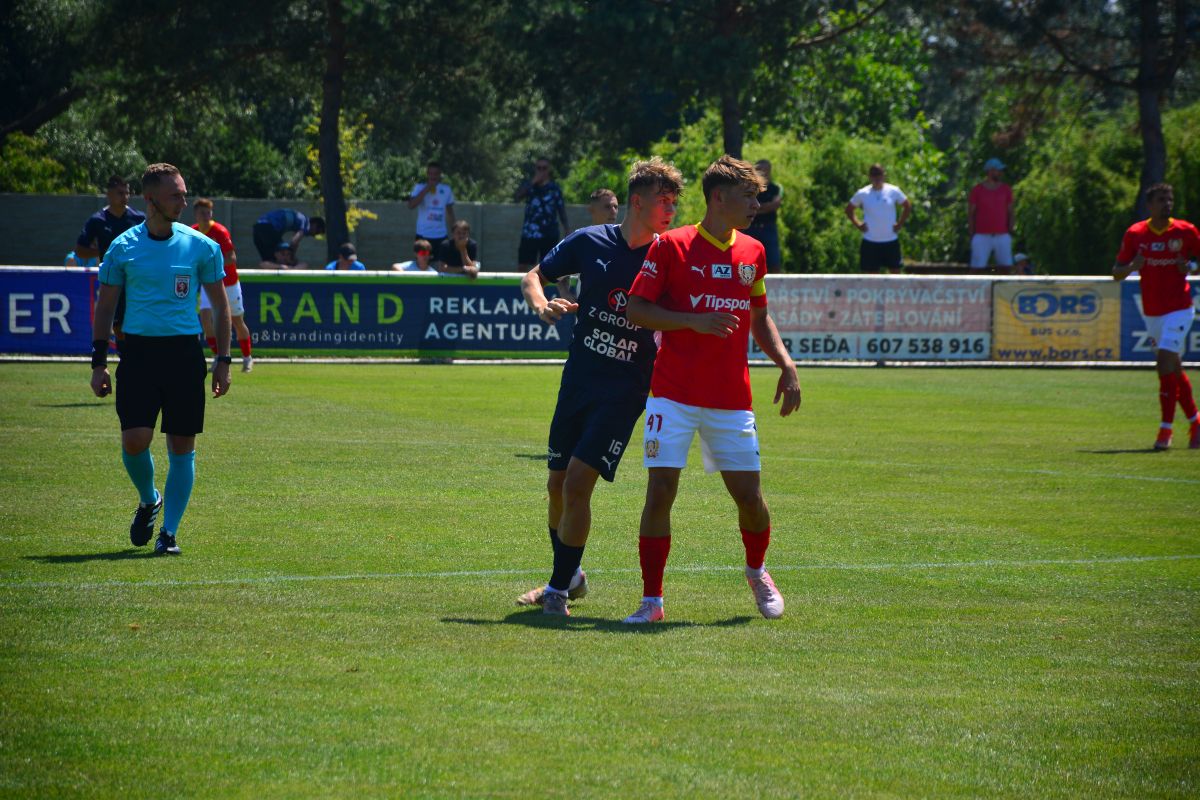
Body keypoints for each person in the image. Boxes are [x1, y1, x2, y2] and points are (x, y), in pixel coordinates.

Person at [622, 154, 802, 624]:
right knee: (660, 490)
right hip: (672, 395)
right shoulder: (672, 246)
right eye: (748, 196)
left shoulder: (753, 252)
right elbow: (637, 308)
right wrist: (693, 322)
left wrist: (785, 363)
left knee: (750, 499)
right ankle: (652, 601)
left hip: (730, 399)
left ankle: (757, 571)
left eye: (758, 197)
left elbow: (759, 318)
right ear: (719, 197)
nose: (756, 205)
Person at [516, 157, 683, 616]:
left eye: (675, 202)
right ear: (637, 202)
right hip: (579, 380)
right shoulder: (589, 241)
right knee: (556, 485)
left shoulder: (669, 255)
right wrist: (543, 305)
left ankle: (555, 590)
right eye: (663, 201)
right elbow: (533, 276)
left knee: (577, 483)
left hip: (625, 390)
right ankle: (570, 576)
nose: (671, 210)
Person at [89, 163, 231, 556]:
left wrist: (223, 359)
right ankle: (149, 498)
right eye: (175, 196)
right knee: (135, 441)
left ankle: (168, 533)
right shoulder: (123, 247)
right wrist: (98, 363)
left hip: (184, 355)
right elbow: (105, 307)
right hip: (138, 354)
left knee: (182, 446)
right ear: (150, 200)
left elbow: (221, 307)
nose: (183, 202)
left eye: (184, 194)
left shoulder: (201, 246)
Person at [1112, 182, 1200, 450]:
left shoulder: (1185, 231)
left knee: (1163, 363)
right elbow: (1116, 273)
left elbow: (1197, 260)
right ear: (1149, 205)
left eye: (1169, 199)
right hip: (1152, 312)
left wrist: (1191, 266)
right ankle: (1196, 423)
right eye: (1161, 200)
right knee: (1173, 366)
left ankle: (1165, 430)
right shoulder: (1136, 233)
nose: (1167, 204)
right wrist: (1132, 266)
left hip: (1180, 308)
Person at [75, 176, 147, 338]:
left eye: (127, 193)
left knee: (140, 320)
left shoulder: (139, 219)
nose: (125, 197)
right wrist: (104, 251)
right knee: (118, 323)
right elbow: (80, 250)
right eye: (120, 193)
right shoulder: (98, 220)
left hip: (136, 278)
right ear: (109, 194)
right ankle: (123, 352)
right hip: (112, 278)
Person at [192, 199, 253, 373]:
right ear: (196, 214)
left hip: (229, 282)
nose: (206, 216)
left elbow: (231, 258)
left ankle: (247, 357)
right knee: (206, 320)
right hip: (209, 283)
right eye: (202, 213)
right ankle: (218, 357)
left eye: (208, 212)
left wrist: (209, 265)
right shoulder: (193, 232)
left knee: (237, 321)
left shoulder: (220, 231)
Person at [845, 163, 912, 273]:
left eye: (879, 174)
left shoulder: (893, 191)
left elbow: (907, 206)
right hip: (870, 241)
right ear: (869, 177)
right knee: (872, 277)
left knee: (896, 273)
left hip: (890, 240)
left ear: (884, 175)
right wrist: (858, 224)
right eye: (874, 175)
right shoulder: (863, 193)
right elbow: (849, 210)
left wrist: (899, 224)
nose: (877, 178)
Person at [557, 189, 622, 302]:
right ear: (591, 210)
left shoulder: (626, 238)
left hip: (619, 309)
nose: (613, 211)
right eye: (607, 207)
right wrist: (565, 293)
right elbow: (555, 270)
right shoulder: (581, 239)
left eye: (615, 207)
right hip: (587, 311)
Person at [515, 157, 571, 270]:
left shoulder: (554, 188)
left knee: (547, 266)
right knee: (523, 265)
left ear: (549, 169)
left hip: (549, 233)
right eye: (539, 168)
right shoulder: (529, 186)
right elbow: (517, 197)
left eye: (544, 168)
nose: (541, 171)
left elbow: (561, 210)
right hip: (530, 233)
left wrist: (567, 229)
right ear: (535, 169)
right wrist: (533, 182)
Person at [969, 157, 1014, 271]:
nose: (1000, 173)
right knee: (977, 268)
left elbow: (1010, 211)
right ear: (990, 171)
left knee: (1006, 268)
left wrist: (1010, 231)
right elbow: (971, 213)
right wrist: (972, 233)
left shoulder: (1006, 189)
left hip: (1002, 234)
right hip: (981, 235)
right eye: (998, 170)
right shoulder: (977, 190)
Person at [407, 161, 457, 258]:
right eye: (431, 173)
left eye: (436, 174)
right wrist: (427, 189)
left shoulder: (446, 189)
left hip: (441, 236)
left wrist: (455, 231)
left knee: (442, 263)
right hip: (423, 236)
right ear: (427, 174)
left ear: (440, 174)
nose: (433, 176)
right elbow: (411, 205)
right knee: (422, 262)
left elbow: (450, 212)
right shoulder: (419, 187)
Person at [747, 159, 784, 269]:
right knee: (749, 263)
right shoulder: (750, 189)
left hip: (769, 228)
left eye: (764, 170)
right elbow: (747, 208)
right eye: (758, 170)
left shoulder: (775, 188)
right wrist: (765, 207)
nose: (762, 172)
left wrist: (757, 208)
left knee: (774, 263)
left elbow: (775, 205)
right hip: (751, 228)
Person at [252, 208, 324, 264]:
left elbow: (294, 242)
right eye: (317, 232)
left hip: (257, 227)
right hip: (268, 228)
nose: (314, 235)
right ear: (314, 224)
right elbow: (294, 241)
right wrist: (291, 257)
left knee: (268, 260)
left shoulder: (300, 218)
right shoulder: (306, 223)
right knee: (283, 258)